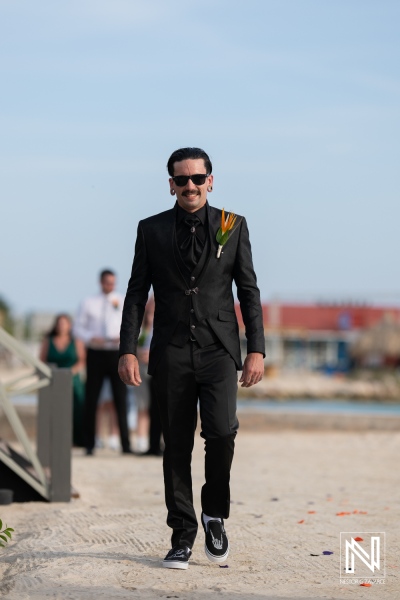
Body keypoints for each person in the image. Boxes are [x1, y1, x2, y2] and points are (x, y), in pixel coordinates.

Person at [118, 147, 265, 569]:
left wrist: (256, 348)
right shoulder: (151, 229)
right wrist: (128, 347)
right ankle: (182, 534)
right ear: (170, 185)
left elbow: (248, 291)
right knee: (176, 445)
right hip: (171, 349)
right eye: (181, 180)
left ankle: (214, 513)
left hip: (220, 349)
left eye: (197, 179)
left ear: (210, 181)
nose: (189, 186)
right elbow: (135, 293)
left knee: (221, 433)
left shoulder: (232, 226)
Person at [74, 269, 132, 455]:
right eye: (107, 282)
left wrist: (123, 340)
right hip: (96, 353)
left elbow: (130, 324)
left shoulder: (122, 300)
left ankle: (126, 445)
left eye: (113, 282)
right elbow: (78, 328)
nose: (110, 286)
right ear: (101, 282)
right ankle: (89, 444)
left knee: (121, 400)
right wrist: (92, 337)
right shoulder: (89, 302)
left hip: (116, 353)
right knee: (92, 399)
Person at [39, 313, 85, 447]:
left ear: (69, 325)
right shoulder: (48, 341)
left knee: (76, 410)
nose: (61, 326)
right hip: (53, 380)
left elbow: (82, 360)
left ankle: (77, 440)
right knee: (54, 411)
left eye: (64, 323)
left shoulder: (76, 341)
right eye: (59, 323)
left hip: (72, 380)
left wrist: (70, 373)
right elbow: (42, 360)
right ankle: (55, 440)